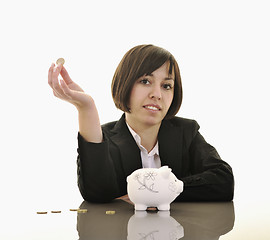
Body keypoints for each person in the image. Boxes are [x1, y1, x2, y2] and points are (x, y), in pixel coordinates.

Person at [48, 44, 234, 203]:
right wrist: (86, 108)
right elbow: (96, 193)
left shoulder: (187, 131)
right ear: (125, 84)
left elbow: (223, 181)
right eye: (145, 81)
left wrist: (161, 191)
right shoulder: (105, 138)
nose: (157, 94)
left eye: (166, 85)